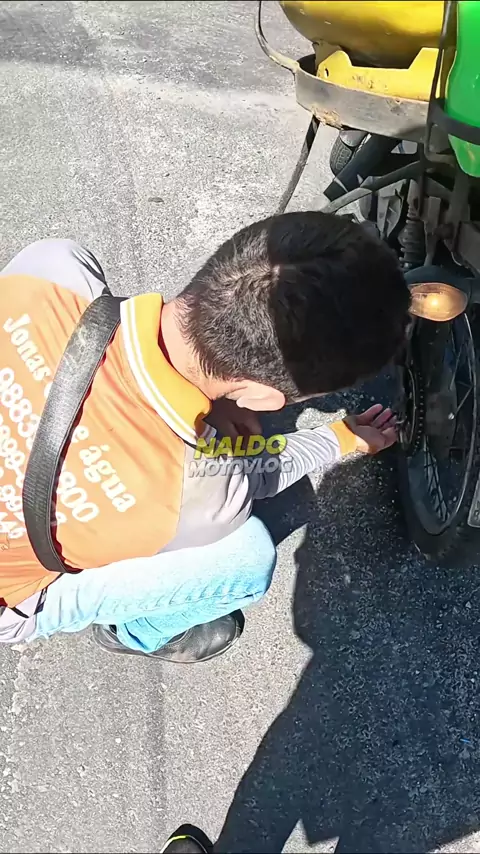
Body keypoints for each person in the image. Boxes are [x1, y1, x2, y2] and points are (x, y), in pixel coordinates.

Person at [0, 212, 409, 662]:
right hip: (9, 598)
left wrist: (215, 401)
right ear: (261, 396)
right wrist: (340, 437)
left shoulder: (52, 267)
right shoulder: (198, 492)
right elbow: (258, 472)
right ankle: (137, 631)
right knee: (246, 558)